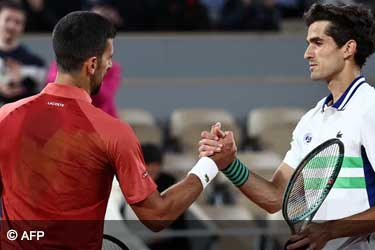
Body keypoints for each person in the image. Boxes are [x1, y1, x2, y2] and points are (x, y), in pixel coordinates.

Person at [0, 11, 236, 249]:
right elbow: (156, 216)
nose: (110, 65)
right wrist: (210, 164)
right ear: (92, 64)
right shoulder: (113, 132)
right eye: (109, 57)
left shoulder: (5, 116)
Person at [199, 3, 375, 250]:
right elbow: (276, 198)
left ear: (348, 48)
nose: (307, 53)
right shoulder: (311, 121)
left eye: (318, 43)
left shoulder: (372, 109)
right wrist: (229, 164)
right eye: (308, 43)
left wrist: (330, 230)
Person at [45, 3, 122, 117]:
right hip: (67, 117)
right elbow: (54, 86)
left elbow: (103, 96)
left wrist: (78, 75)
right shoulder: (63, 58)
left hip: (100, 120)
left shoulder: (113, 68)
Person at [141, 143, 191, 250]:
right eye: (148, 165)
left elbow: (175, 219)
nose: (152, 169)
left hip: (170, 238)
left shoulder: (169, 181)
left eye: (156, 165)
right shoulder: (133, 183)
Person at [0, 1, 46, 105]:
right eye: (7, 20)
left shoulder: (35, 63)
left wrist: (22, 85)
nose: (11, 26)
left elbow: (37, 99)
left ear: (23, 26)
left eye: (17, 22)